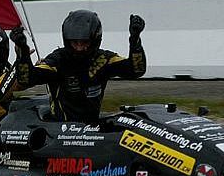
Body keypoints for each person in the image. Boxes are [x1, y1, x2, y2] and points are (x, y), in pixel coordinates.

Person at [9, 10, 146, 123]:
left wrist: (135, 41)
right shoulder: (58, 60)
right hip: (59, 131)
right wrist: (23, 53)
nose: (79, 48)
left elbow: (136, 70)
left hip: (92, 130)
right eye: (75, 43)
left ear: (95, 40)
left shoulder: (104, 60)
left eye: (84, 42)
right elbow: (26, 79)